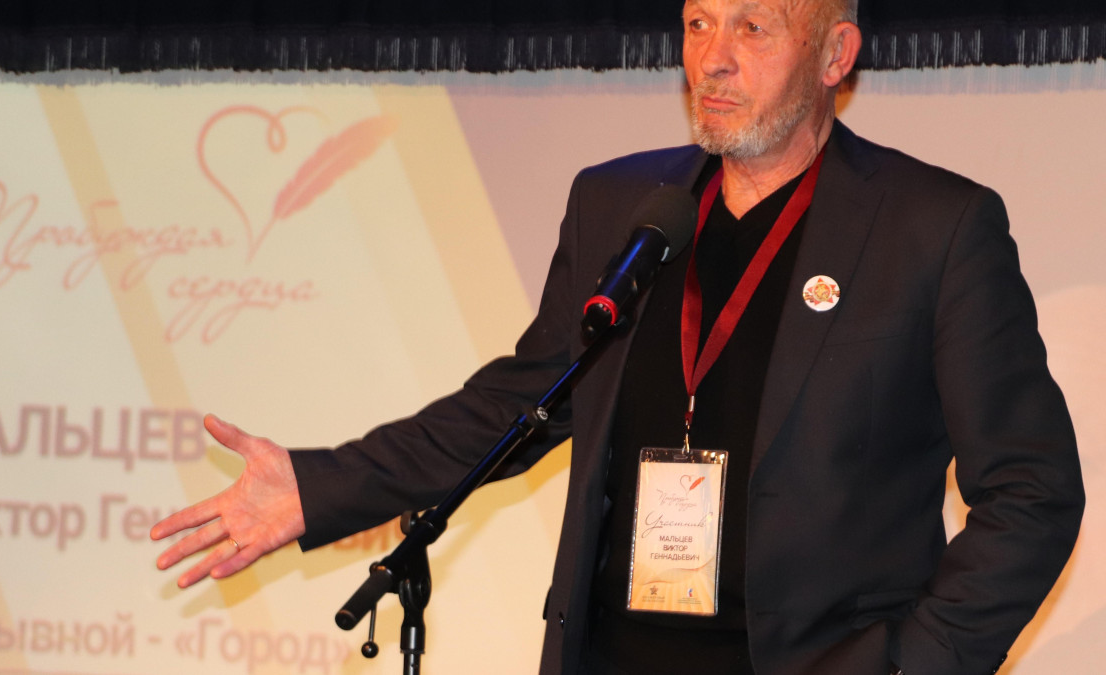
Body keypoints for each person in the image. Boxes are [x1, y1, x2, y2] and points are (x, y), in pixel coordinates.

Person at [151, 0, 1085, 673]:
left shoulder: (933, 229)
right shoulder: (625, 208)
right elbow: (515, 404)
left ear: (836, 52)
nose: (712, 60)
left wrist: (910, 662)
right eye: (697, 24)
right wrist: (318, 487)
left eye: (753, 29)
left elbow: (1034, 493)